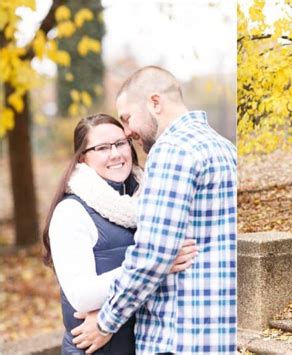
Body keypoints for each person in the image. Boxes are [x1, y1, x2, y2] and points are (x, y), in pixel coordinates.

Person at [71, 66, 237, 354]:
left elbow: (153, 254)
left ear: (155, 103)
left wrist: (105, 322)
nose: (127, 131)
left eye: (127, 118)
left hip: (178, 336)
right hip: (219, 335)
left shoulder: (172, 150)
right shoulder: (225, 148)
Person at [43, 113, 198, 354]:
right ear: (82, 158)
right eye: (102, 148)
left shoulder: (151, 202)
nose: (115, 154)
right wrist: (158, 263)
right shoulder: (71, 212)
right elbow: (82, 296)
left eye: (120, 143)